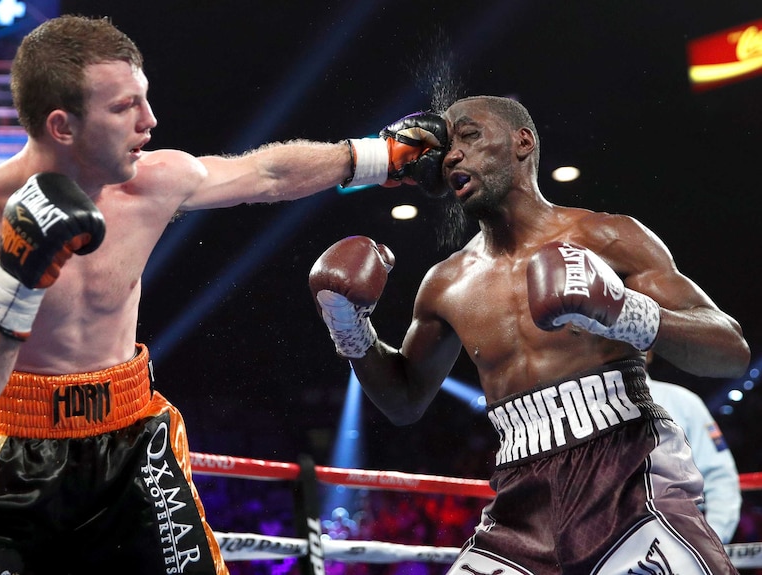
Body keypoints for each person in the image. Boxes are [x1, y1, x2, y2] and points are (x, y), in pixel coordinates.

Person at [0, 15, 447, 575]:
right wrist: (16, 284)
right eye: (124, 108)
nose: (150, 120)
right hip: (0, 455)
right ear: (62, 126)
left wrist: (382, 157)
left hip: (131, 439)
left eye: (143, 99)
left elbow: (265, 173)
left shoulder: (151, 182)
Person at [308, 95, 750, 574]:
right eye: (446, 146)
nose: (452, 155)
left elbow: (730, 351)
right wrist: (351, 331)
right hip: (520, 499)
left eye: (470, 136)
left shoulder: (607, 237)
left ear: (523, 141)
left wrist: (622, 311)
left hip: (628, 478)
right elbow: (404, 401)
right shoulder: (445, 284)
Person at [646, 353, 742, 544]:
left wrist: (711, 542)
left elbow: (720, 476)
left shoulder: (682, 402)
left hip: (677, 543)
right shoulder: (577, 411)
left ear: (648, 352)